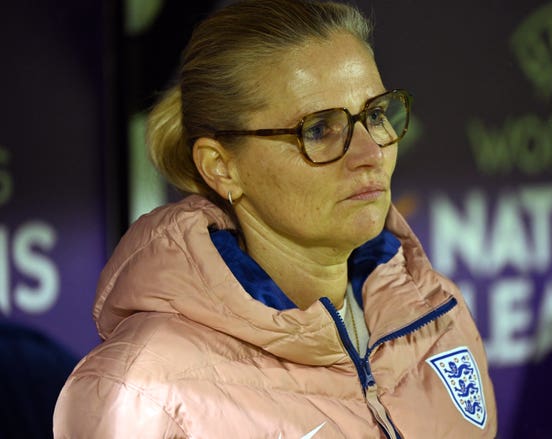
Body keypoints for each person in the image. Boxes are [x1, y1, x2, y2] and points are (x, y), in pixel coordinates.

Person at [53, 0, 497, 437]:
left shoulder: (439, 312)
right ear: (221, 166)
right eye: (320, 129)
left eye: (376, 114)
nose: (370, 154)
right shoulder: (141, 391)